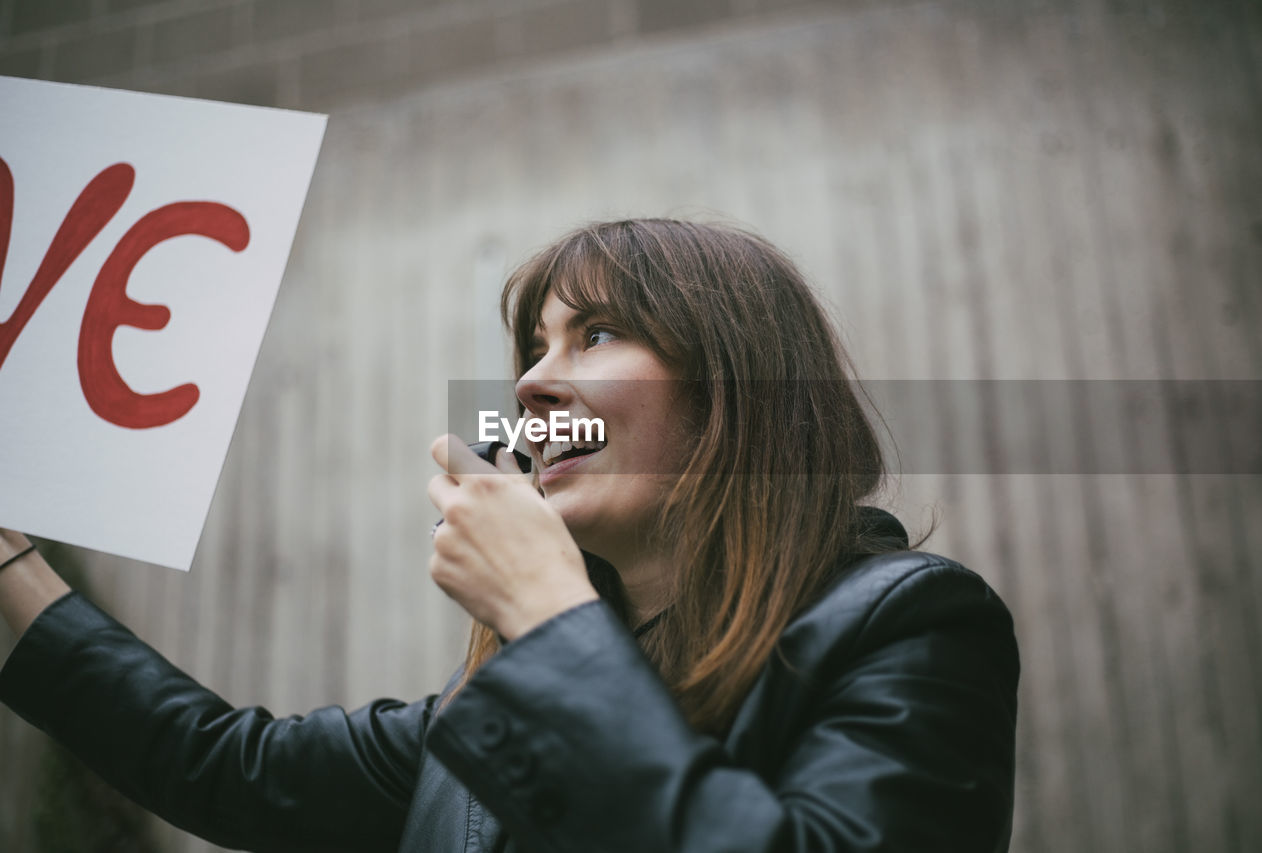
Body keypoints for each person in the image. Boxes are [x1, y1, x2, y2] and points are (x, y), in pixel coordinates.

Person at [0, 219, 1019, 852]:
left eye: (598, 333)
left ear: (732, 396)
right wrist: (12, 562)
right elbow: (225, 765)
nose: (529, 384)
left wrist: (545, 608)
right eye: (532, 349)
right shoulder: (486, 707)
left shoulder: (909, 628)